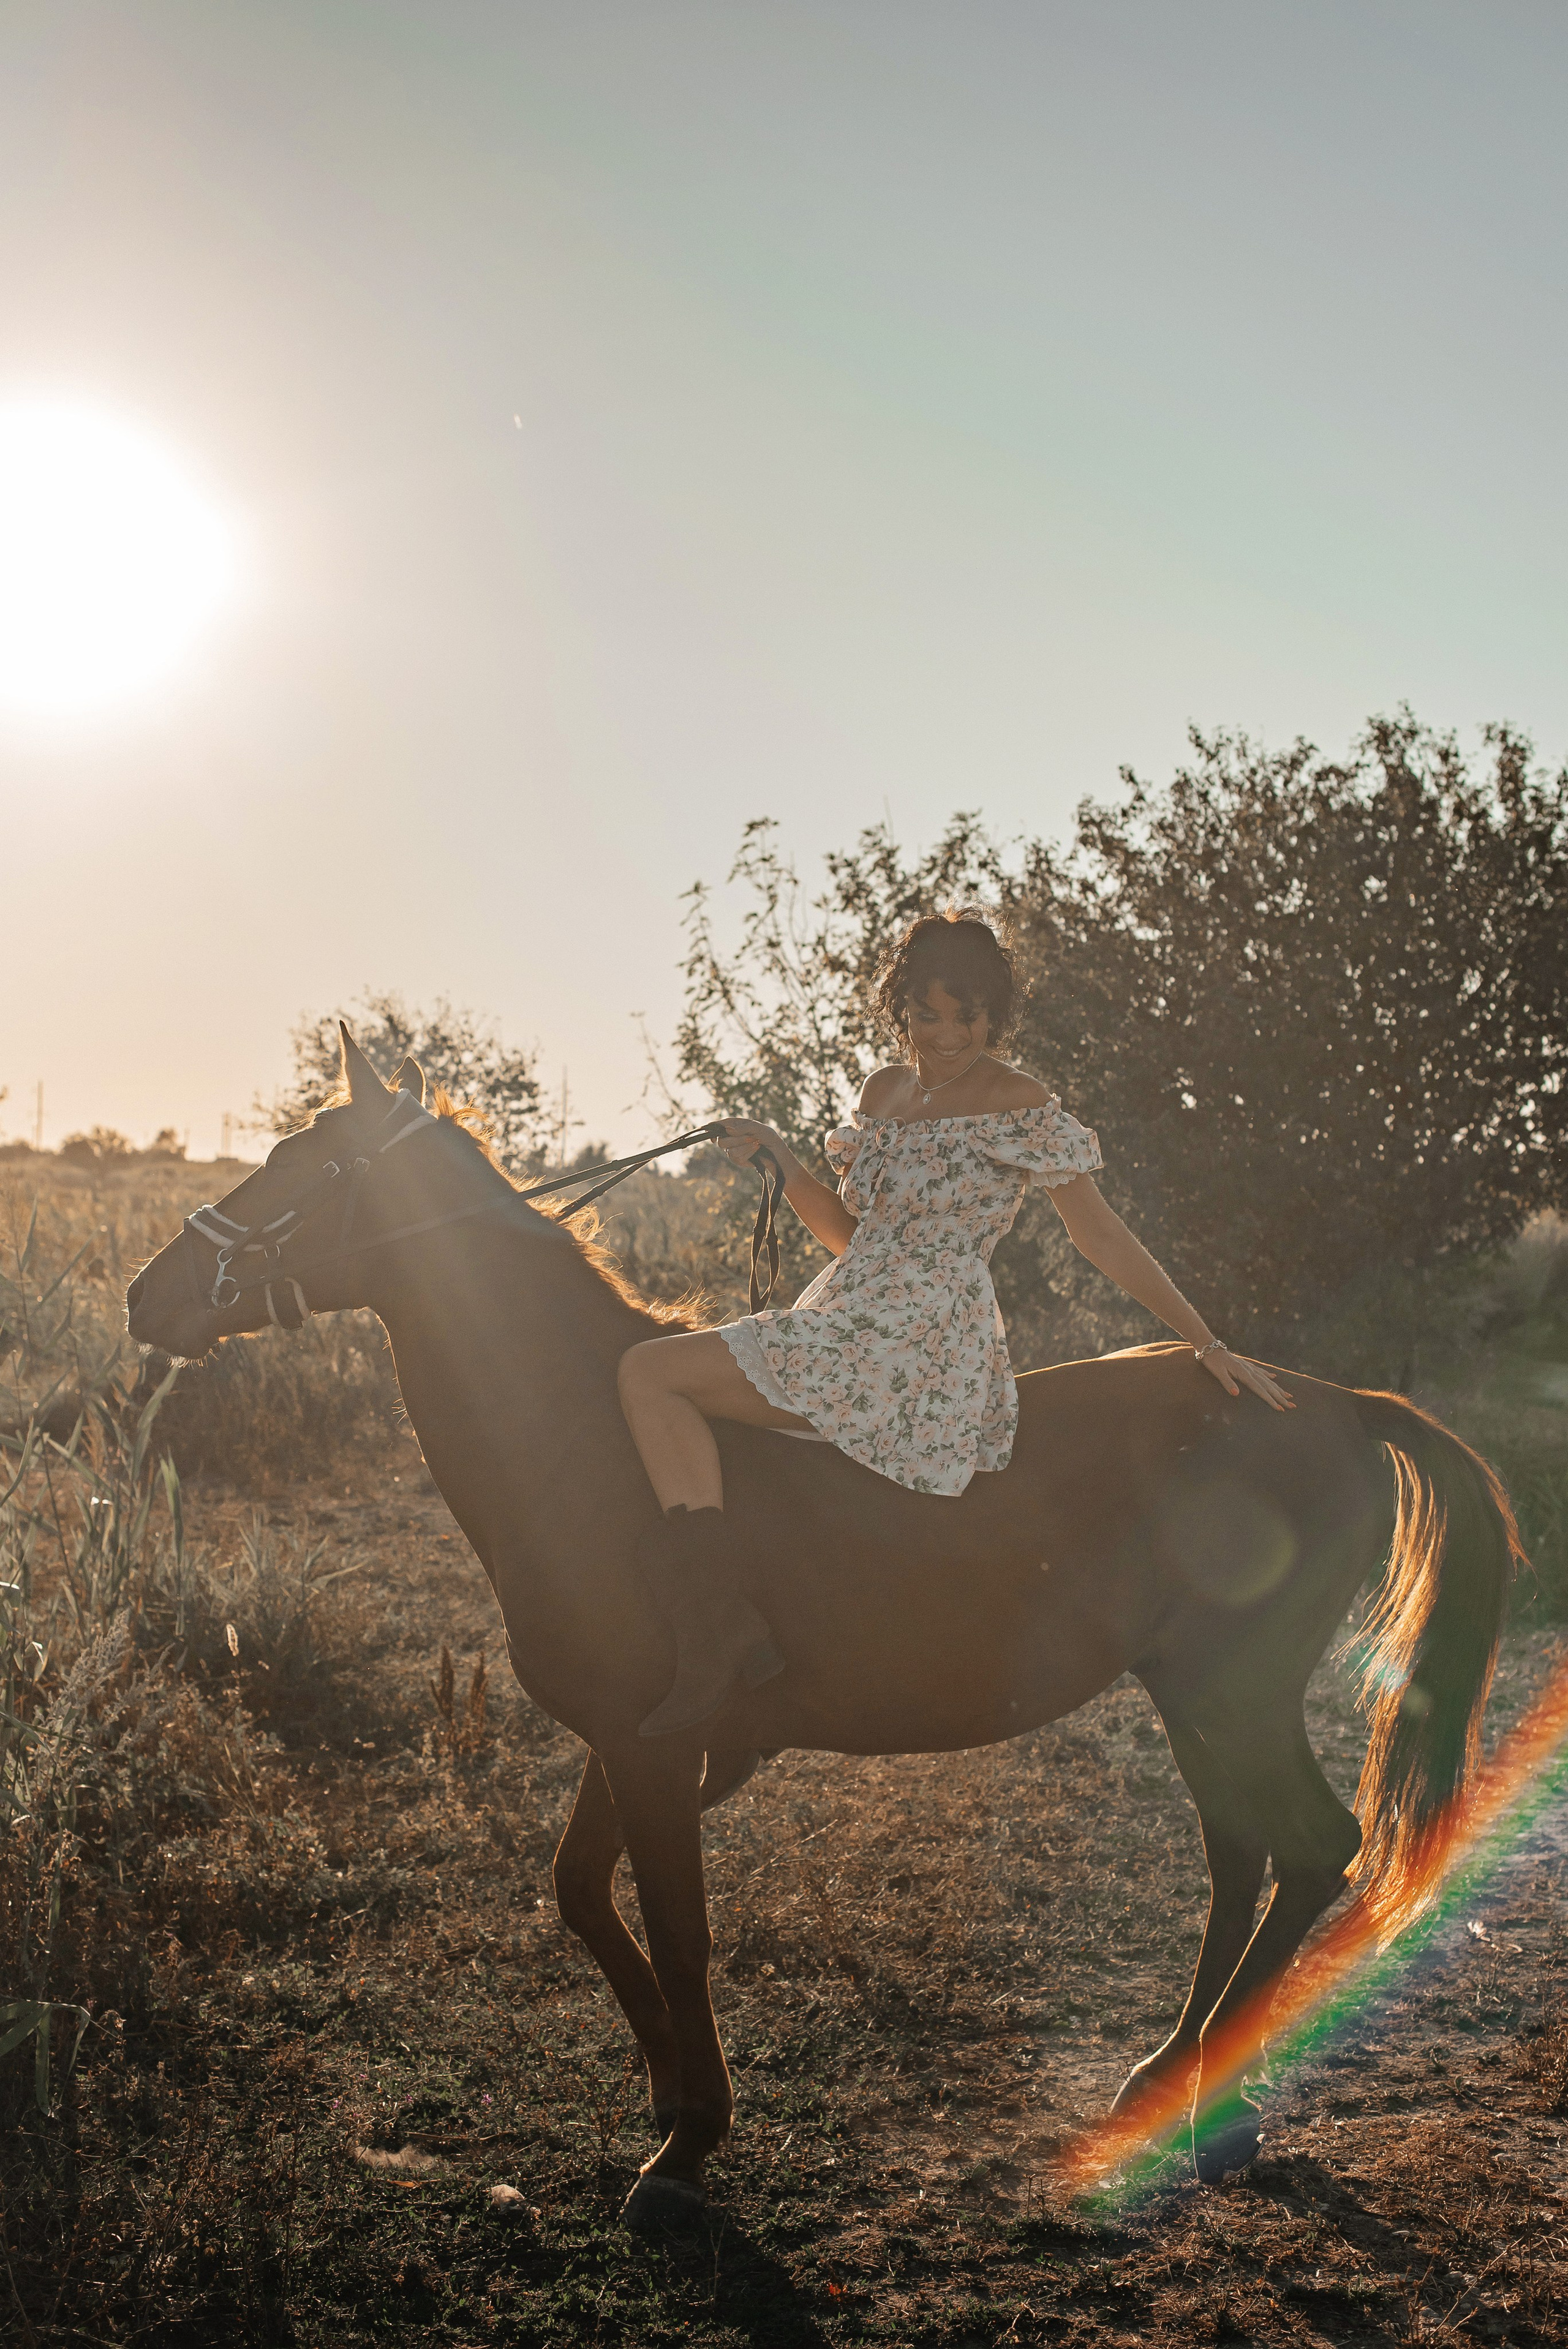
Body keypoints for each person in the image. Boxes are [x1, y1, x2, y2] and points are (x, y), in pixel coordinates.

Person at [618, 908, 1292, 1735]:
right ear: (902, 1007)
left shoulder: (1018, 1101)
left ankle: (713, 1632)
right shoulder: (884, 1093)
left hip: (920, 1338)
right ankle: (731, 1620)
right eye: (928, 1015)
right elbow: (855, 1238)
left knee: (650, 1371)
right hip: (852, 1304)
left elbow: (1099, 1235)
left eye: (968, 1016)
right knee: (666, 1381)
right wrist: (783, 1160)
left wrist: (1206, 1339)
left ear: (994, 1012)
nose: (947, 1036)